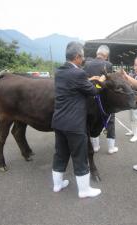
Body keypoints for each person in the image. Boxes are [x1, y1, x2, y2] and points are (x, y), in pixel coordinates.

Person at [51, 42, 104, 198]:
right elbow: (93, 91)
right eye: (82, 57)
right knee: (80, 156)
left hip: (59, 122)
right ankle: (84, 190)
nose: (83, 60)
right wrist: (99, 81)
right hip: (74, 124)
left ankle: (57, 185)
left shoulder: (59, 72)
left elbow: (76, 83)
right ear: (77, 57)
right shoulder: (79, 74)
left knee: (60, 154)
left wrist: (89, 78)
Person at [83, 45, 118, 154]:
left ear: (97, 53)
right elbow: (111, 84)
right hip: (105, 101)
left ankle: (95, 146)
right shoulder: (108, 65)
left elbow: (83, 80)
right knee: (110, 121)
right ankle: (111, 148)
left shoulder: (87, 64)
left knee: (92, 122)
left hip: (89, 100)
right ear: (106, 55)